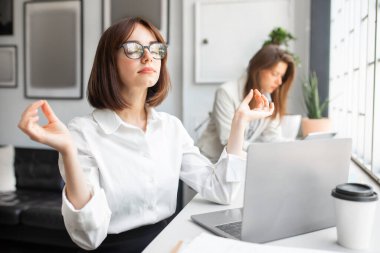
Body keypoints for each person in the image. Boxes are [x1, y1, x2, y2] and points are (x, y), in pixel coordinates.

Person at [18, 17, 274, 252]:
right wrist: (68, 151)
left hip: (168, 240)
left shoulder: (170, 127)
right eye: (134, 48)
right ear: (109, 60)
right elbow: (89, 237)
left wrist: (238, 123)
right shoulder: (83, 133)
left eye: (156, 49)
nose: (148, 57)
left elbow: (221, 191)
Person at [197, 45, 295, 163]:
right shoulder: (226, 92)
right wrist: (263, 151)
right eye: (275, 74)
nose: (279, 82)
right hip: (210, 162)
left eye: (282, 76)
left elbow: (272, 136)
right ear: (258, 69)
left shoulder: (269, 96)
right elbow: (228, 140)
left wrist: (295, 146)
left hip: (238, 162)